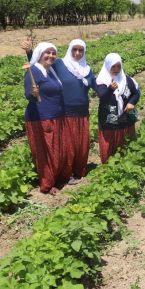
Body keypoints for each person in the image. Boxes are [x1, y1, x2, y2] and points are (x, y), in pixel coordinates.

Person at [22, 39, 95, 185]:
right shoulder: (60, 65)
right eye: (74, 49)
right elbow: (39, 64)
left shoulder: (86, 69)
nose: (77, 53)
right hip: (57, 114)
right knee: (60, 148)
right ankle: (55, 179)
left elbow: (97, 87)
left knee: (73, 147)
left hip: (72, 113)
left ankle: (70, 173)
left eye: (81, 50)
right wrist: (30, 51)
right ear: (69, 50)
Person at [24, 42, 65, 195]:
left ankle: (55, 177)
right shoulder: (33, 71)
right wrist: (33, 94)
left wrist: (29, 51)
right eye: (47, 53)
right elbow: (28, 95)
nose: (51, 56)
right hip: (41, 118)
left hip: (56, 117)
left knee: (56, 150)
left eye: (53, 53)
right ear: (40, 54)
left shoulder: (50, 70)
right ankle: (47, 183)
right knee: (46, 152)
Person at [96, 53, 140, 164]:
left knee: (125, 148)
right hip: (108, 123)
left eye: (118, 66)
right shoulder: (102, 81)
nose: (116, 69)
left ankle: (124, 171)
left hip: (125, 121)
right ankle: (108, 172)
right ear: (107, 66)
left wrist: (131, 102)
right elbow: (103, 98)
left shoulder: (126, 79)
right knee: (109, 152)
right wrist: (110, 89)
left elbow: (135, 94)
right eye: (113, 66)